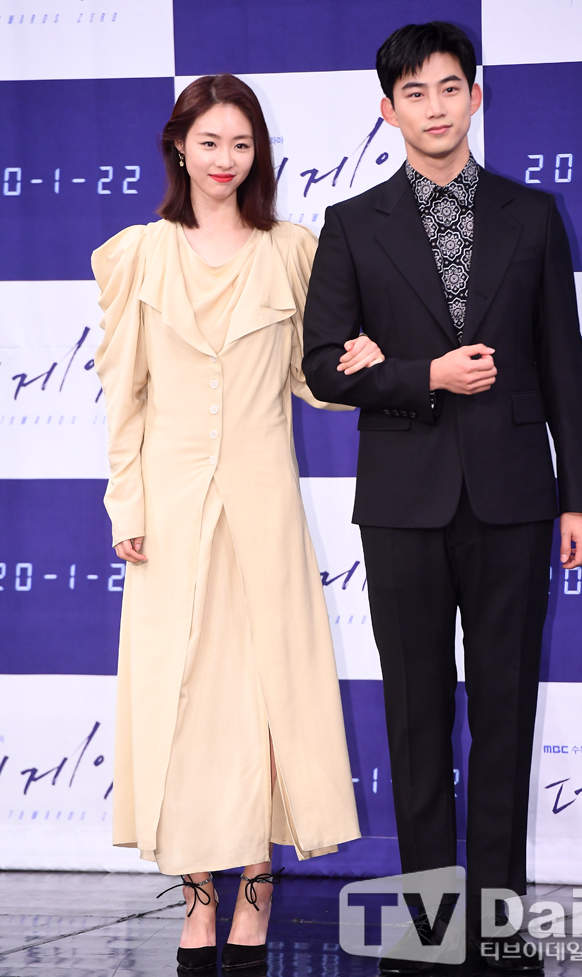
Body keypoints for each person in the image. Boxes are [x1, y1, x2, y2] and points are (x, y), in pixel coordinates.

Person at [303, 21, 582, 977]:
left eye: (448, 88)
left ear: (476, 95)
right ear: (386, 110)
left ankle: (502, 925)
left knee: (506, 715)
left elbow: (562, 365)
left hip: (515, 499)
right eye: (414, 93)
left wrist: (579, 497)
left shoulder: (533, 215)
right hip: (403, 501)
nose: (434, 108)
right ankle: (429, 929)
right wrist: (422, 373)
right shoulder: (352, 224)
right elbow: (323, 366)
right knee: (416, 716)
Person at [93, 74, 381, 973]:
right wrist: (127, 503)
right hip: (169, 510)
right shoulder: (139, 254)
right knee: (179, 700)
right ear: (179, 146)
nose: (225, 159)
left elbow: (309, 379)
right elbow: (124, 397)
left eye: (242, 144)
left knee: (264, 698)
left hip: (263, 505)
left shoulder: (291, 249)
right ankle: (197, 898)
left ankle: (256, 891)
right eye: (210, 141)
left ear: (260, 154)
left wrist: (364, 365)